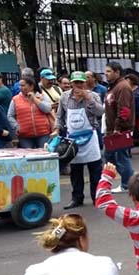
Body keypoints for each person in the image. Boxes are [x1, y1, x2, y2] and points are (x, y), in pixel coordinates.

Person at [53, 71, 105, 209]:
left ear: (85, 83)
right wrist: (56, 129)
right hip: (73, 138)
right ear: (71, 83)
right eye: (75, 83)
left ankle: (96, 197)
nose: (78, 85)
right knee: (75, 171)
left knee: (95, 170)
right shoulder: (65, 97)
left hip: (90, 136)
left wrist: (88, 98)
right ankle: (76, 198)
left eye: (81, 82)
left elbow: (100, 112)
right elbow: (59, 116)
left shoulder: (94, 95)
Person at [103, 61, 135, 193]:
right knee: (110, 157)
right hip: (112, 129)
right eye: (105, 71)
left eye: (109, 71)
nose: (106, 74)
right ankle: (127, 182)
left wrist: (118, 127)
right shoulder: (113, 87)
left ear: (117, 72)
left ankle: (127, 184)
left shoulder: (122, 87)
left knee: (121, 158)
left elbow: (124, 110)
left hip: (120, 129)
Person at [8, 74, 52, 148]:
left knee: (43, 153)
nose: (20, 88)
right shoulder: (15, 99)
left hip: (43, 134)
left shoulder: (42, 96)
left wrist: (35, 99)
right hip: (24, 136)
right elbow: (10, 116)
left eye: (23, 85)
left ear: (31, 86)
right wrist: (17, 127)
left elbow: (47, 109)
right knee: (27, 154)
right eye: (20, 85)